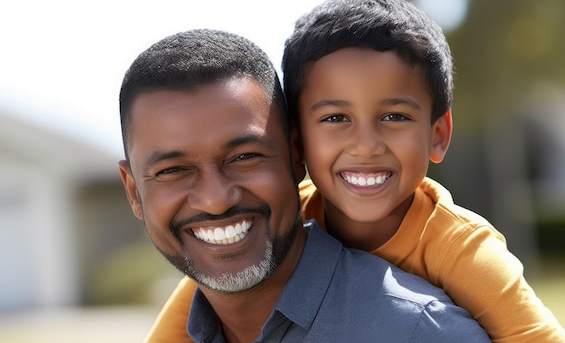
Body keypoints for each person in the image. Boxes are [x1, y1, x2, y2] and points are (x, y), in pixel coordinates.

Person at [144, 0, 565, 342]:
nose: (366, 145)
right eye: (335, 119)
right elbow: (191, 311)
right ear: (297, 143)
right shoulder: (284, 218)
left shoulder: (462, 249)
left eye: (395, 117)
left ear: (438, 134)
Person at [117, 28, 490, 343]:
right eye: (173, 170)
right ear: (134, 192)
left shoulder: (417, 331)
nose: (215, 200)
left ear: (297, 157)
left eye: (245, 157)